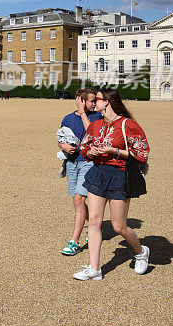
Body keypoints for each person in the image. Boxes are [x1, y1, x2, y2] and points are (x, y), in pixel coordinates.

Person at [73, 88, 150, 281]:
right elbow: (84, 148)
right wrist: (92, 153)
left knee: (118, 226)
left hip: (119, 175)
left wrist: (114, 150)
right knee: (94, 222)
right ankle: (94, 269)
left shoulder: (128, 125)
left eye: (96, 100)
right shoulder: (96, 125)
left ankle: (141, 252)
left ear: (106, 102)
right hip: (98, 174)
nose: (92, 103)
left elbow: (141, 154)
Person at [57, 88, 101, 257]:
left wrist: (83, 113)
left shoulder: (96, 117)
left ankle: (74, 241)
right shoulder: (67, 118)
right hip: (72, 162)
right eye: (91, 101)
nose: (94, 103)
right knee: (78, 201)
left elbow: (93, 134)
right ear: (81, 101)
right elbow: (61, 138)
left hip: (88, 162)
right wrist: (63, 147)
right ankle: (95, 226)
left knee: (79, 199)